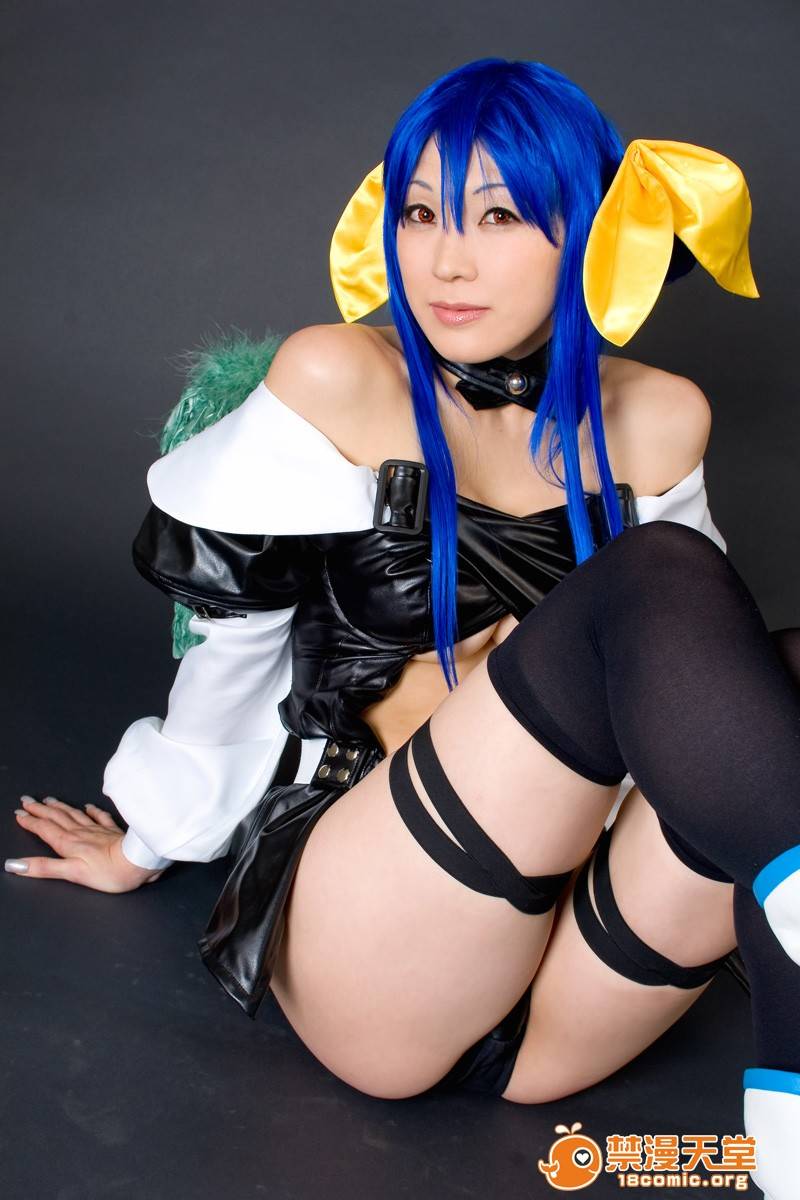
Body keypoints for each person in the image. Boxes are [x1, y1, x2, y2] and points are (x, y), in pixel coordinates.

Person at [7, 58, 797, 1198]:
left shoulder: (660, 417)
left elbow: (696, 695)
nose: (444, 261)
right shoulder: (341, 376)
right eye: (421, 214)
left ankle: (787, 1104)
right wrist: (150, 840)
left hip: (579, 991)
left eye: (498, 218)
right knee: (654, 574)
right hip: (376, 957)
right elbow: (232, 651)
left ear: (591, 232)